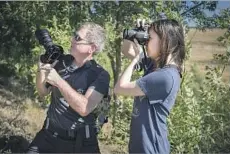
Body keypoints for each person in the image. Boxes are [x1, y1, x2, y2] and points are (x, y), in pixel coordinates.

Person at [27, 22, 110, 153]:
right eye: (74, 35)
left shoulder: (100, 75)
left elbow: (84, 108)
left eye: (78, 38)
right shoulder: (61, 61)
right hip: (49, 135)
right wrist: (41, 68)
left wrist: (59, 81)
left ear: (91, 48)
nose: (72, 39)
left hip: (81, 144)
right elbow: (43, 91)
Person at [114, 18, 185, 154]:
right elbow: (126, 50)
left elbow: (119, 88)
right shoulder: (156, 65)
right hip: (142, 147)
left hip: (151, 149)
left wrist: (136, 58)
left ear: (165, 40)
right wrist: (134, 33)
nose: (146, 42)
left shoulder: (165, 76)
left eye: (150, 38)